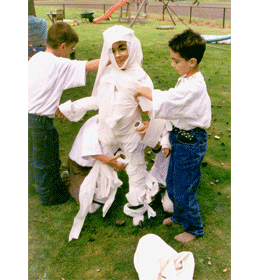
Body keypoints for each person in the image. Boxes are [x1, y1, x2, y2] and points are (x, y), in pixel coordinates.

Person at [58, 25, 159, 228]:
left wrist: (153, 130)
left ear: (132, 47)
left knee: (136, 169)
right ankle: (100, 190)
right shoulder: (107, 73)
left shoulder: (140, 76)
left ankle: (137, 206)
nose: (117, 55)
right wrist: (72, 107)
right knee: (104, 169)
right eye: (112, 50)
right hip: (107, 132)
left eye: (122, 48)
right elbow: (98, 101)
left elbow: (153, 109)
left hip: (130, 133)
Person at [134, 29, 211, 243]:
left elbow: (168, 101)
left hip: (191, 143)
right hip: (179, 139)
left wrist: (144, 91)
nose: (172, 65)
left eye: (176, 61)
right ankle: (178, 216)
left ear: (192, 61)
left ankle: (194, 228)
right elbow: (172, 115)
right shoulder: (185, 79)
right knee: (172, 182)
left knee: (184, 189)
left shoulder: (194, 86)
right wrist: (167, 140)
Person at [28, 22, 100, 206]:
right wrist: (112, 55)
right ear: (62, 47)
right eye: (70, 48)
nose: (71, 52)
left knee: (30, 155)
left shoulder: (36, 58)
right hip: (40, 120)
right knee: (47, 158)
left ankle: (31, 185)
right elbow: (90, 66)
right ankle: (51, 196)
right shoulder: (58, 63)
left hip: (26, 115)